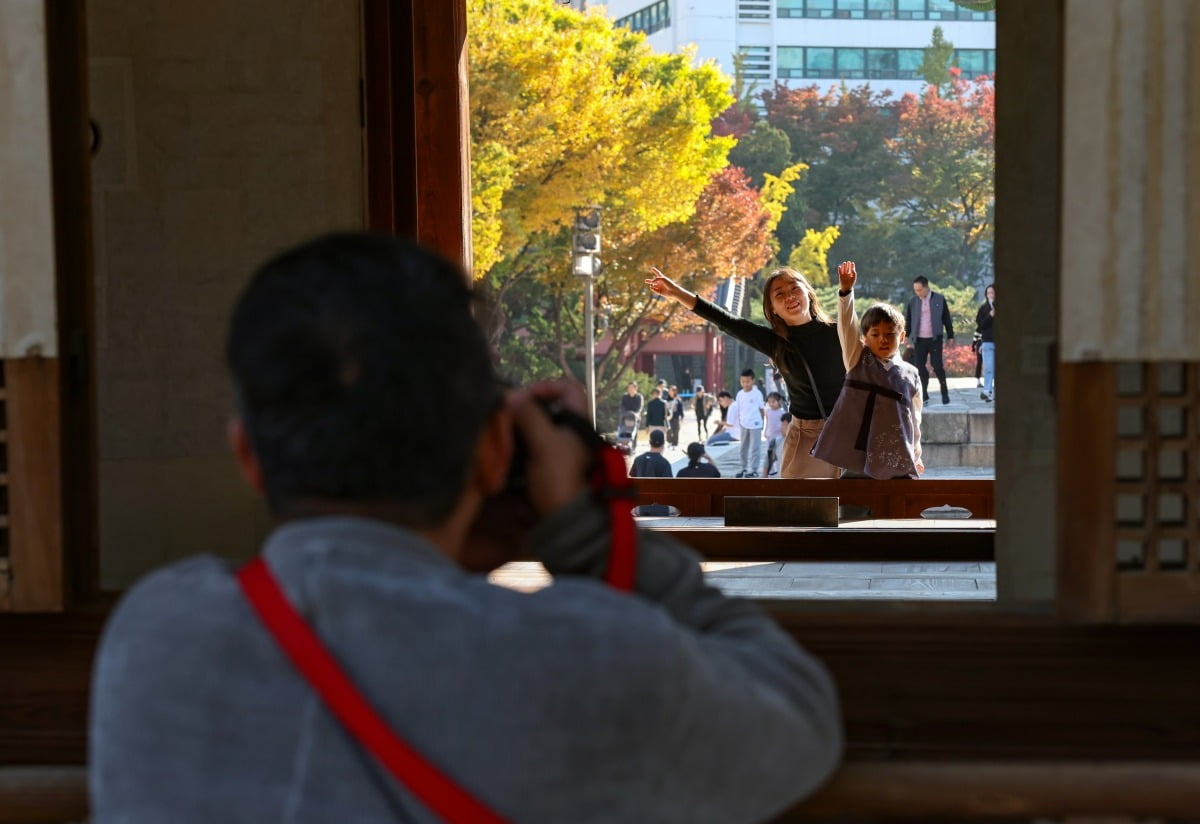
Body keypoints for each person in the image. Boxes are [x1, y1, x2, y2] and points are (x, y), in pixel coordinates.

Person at [88, 234, 842, 822]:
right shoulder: (585, 652)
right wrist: (583, 534)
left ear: (248, 457)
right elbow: (797, 718)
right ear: (491, 452)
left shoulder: (155, 633)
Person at [646, 266, 845, 478]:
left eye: (795, 288)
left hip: (844, 430)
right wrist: (676, 292)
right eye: (780, 294)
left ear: (808, 292)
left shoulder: (839, 332)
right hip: (804, 434)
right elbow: (727, 321)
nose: (789, 297)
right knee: (797, 503)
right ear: (773, 309)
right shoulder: (775, 343)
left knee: (850, 502)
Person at [812, 262, 924, 479]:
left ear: (902, 337)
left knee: (899, 511)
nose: (883, 339)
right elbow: (846, 327)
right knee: (852, 509)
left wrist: (917, 455)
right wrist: (846, 293)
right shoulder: (857, 360)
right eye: (875, 334)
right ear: (864, 338)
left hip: (898, 459)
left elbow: (915, 420)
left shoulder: (911, 374)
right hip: (858, 458)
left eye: (890, 333)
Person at [903, 275, 955, 405]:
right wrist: (905, 335)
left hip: (934, 339)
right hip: (919, 340)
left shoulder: (939, 299)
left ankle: (944, 391)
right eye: (915, 290)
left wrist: (950, 336)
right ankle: (924, 395)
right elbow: (908, 320)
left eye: (920, 289)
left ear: (926, 287)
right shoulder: (913, 301)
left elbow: (946, 318)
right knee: (920, 369)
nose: (918, 292)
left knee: (937, 366)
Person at [731, 369, 765, 478]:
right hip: (744, 424)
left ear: (753, 381)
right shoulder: (739, 394)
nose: (745, 384)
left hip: (755, 424)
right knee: (743, 448)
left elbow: (761, 409)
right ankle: (743, 469)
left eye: (748, 381)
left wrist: (762, 422)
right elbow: (739, 410)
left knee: (755, 447)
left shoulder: (757, 393)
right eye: (743, 381)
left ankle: (754, 470)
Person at [975, 283, 996, 402]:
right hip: (987, 342)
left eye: (993, 293)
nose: (991, 295)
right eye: (988, 293)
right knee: (988, 367)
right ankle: (987, 391)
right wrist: (990, 316)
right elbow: (981, 325)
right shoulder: (983, 309)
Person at [761, 392, 785, 477]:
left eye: (773, 401)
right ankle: (771, 470)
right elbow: (766, 422)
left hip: (778, 436)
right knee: (769, 453)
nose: (771, 404)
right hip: (769, 436)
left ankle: (778, 469)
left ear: (779, 401)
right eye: (769, 402)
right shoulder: (767, 411)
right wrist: (765, 431)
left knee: (778, 453)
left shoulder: (782, 412)